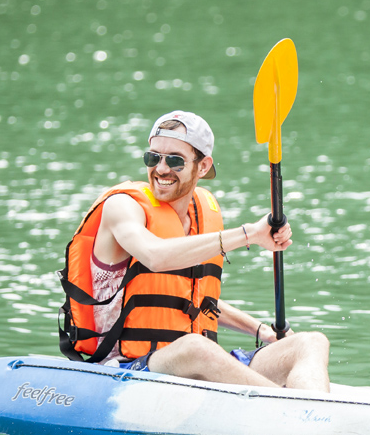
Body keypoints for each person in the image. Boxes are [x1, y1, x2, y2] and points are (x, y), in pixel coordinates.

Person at [58, 110, 330, 391]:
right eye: (153, 157)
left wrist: (260, 330)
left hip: (195, 362)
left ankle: (319, 416)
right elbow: (155, 256)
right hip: (127, 368)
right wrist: (250, 234)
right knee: (196, 348)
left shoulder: (202, 215)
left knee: (311, 342)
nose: (161, 168)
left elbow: (190, 298)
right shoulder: (123, 207)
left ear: (203, 166)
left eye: (175, 160)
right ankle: (291, 410)